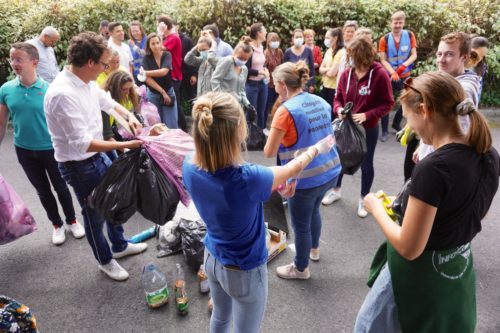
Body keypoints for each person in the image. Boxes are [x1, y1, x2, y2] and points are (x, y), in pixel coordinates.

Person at [355, 71, 499, 333]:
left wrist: (377, 209)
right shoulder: (488, 153)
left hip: (417, 280)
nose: (410, 129)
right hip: (456, 273)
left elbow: (410, 248)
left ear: (424, 111)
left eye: (409, 120)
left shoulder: (433, 168)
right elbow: (475, 212)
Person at [183, 91, 334, 333]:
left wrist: (278, 185)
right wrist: (316, 149)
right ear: (238, 132)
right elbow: (293, 166)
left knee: (220, 318)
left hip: (211, 257)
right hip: (244, 271)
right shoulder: (249, 179)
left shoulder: (189, 164)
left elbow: (265, 184)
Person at [44, 32, 147, 281]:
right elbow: (82, 144)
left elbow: (107, 102)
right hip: (79, 166)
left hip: (97, 157)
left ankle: (120, 246)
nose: (105, 68)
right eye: (103, 63)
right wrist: (126, 146)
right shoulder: (62, 94)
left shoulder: (86, 82)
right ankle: (105, 260)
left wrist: (130, 116)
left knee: (114, 201)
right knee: (93, 215)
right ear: (90, 62)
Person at [0, 42, 84, 245]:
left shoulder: (50, 89)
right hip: (24, 151)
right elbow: (1, 122)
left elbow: (65, 122)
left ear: (34, 62)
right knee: (42, 190)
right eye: (12, 59)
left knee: (61, 187)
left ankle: (72, 221)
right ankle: (57, 225)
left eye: (18, 59)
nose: (14, 63)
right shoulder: (6, 90)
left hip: (50, 148)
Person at [264, 61, 342, 279]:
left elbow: (269, 151)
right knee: (314, 211)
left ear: (281, 84)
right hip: (330, 171)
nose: (273, 87)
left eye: (274, 83)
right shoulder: (320, 101)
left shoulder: (285, 111)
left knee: (300, 226)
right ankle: (314, 250)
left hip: (304, 179)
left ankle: (300, 269)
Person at [322, 37, 394, 216]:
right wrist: (338, 110)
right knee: (339, 158)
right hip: (345, 127)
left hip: (367, 128)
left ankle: (364, 200)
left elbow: (388, 103)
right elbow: (337, 97)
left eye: (352, 55)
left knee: (366, 162)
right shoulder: (347, 73)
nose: (349, 59)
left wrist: (367, 115)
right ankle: (336, 190)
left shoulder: (379, 74)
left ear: (362, 56)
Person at [417, 32, 482, 161]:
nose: (441, 60)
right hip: (430, 155)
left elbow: (459, 136)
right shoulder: (444, 80)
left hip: (441, 162)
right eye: (439, 54)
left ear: (464, 57)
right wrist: (422, 146)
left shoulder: (464, 89)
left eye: (449, 54)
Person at [378, 11, 418, 141]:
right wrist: (393, 72)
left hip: (405, 74)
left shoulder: (410, 35)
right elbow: (383, 59)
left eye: (400, 22)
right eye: (395, 22)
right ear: (391, 23)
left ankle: (396, 123)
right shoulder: (384, 39)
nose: (398, 25)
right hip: (390, 75)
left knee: (407, 100)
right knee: (385, 101)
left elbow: (414, 55)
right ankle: (384, 131)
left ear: (404, 23)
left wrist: (402, 67)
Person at [141, 32, 178, 129]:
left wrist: (145, 72)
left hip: (168, 91)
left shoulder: (167, 54)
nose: (156, 46)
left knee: (171, 124)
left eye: (157, 42)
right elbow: (147, 80)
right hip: (153, 93)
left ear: (161, 42)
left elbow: (163, 72)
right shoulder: (146, 58)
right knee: (156, 126)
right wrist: (162, 92)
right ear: (148, 45)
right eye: (153, 44)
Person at [157, 15, 186, 131]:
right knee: (173, 104)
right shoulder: (168, 37)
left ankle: (183, 130)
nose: (157, 27)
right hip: (171, 76)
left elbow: (158, 48)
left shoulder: (173, 38)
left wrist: (159, 33)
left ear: (164, 26)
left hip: (174, 76)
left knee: (176, 105)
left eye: (158, 25)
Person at [211, 37, 253, 109]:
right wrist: (221, 99)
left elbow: (241, 90)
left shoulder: (244, 69)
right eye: (240, 58)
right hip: (224, 104)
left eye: (245, 59)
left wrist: (248, 104)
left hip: (237, 106)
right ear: (234, 53)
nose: (242, 61)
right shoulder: (227, 61)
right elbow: (215, 80)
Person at [245, 23, 270, 129]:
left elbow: (261, 64)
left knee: (262, 112)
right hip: (251, 85)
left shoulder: (261, 47)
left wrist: (265, 71)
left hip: (262, 84)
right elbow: (245, 69)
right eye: (264, 31)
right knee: (251, 113)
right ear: (259, 33)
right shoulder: (249, 48)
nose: (266, 33)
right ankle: (249, 138)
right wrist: (260, 73)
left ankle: (260, 137)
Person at [319, 28, 345, 113]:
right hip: (325, 86)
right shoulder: (329, 51)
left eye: (327, 38)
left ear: (335, 38)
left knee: (331, 113)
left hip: (333, 88)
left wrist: (326, 70)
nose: (325, 40)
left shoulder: (341, 52)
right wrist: (329, 69)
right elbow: (320, 69)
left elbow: (332, 74)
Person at [263, 32, 284, 132]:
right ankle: (264, 127)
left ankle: (277, 126)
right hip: (269, 84)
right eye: (273, 40)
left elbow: (282, 65)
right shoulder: (265, 53)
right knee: (266, 106)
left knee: (279, 105)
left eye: (276, 40)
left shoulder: (279, 52)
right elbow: (264, 68)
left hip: (279, 83)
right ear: (268, 41)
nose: (275, 42)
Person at [466, 36, 489, 100]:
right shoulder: (458, 63)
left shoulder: (482, 66)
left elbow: (478, 90)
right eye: (477, 54)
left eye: (482, 56)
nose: (479, 59)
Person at [128, 21, 147, 85]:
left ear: (141, 30)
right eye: (133, 31)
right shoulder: (131, 42)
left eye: (137, 31)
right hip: (136, 73)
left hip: (146, 72)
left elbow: (144, 53)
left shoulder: (147, 40)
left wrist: (134, 46)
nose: (135, 33)